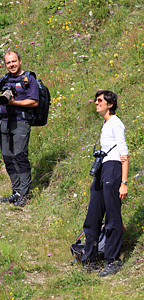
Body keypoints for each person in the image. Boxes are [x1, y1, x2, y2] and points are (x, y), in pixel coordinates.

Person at [81, 90, 129, 277]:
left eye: (100, 100)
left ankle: (113, 260)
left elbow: (124, 154)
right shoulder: (106, 123)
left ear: (110, 104)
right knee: (93, 216)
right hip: (102, 169)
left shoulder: (116, 124)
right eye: (95, 100)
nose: (96, 102)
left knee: (112, 217)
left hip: (114, 168)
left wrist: (124, 182)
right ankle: (90, 258)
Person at [0, 51, 39, 207]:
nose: (12, 65)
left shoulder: (29, 79)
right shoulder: (5, 78)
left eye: (14, 61)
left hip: (21, 122)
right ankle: (16, 191)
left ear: (20, 61)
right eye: (8, 63)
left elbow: (34, 102)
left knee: (20, 156)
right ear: (5, 65)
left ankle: (23, 193)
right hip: (5, 122)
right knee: (7, 157)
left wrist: (14, 102)